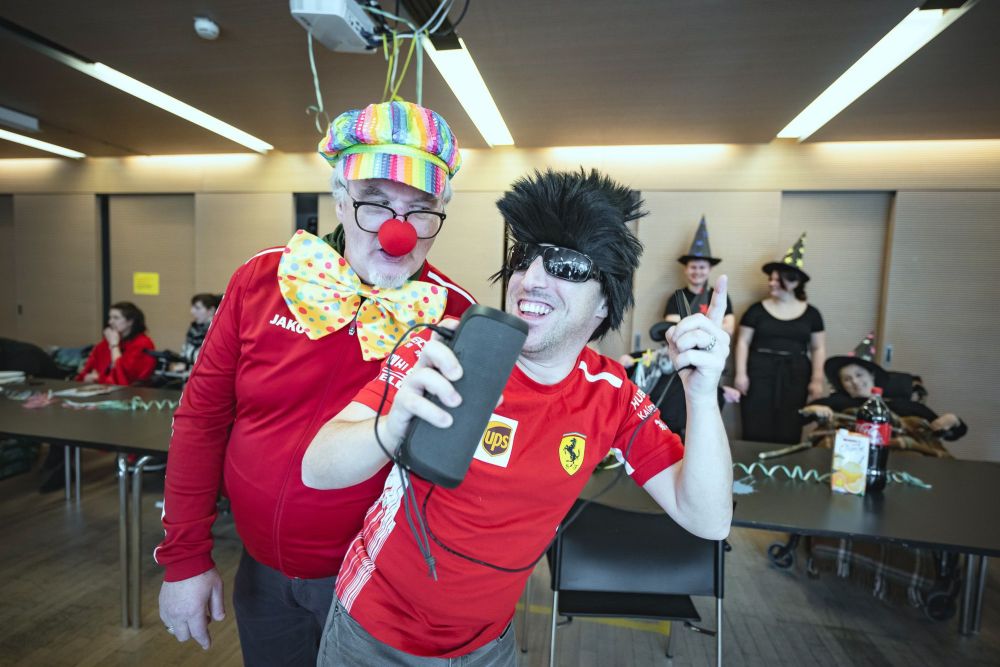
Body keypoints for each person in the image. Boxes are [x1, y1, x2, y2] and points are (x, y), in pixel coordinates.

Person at [302, 169, 733, 665]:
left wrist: (702, 395)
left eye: (566, 266)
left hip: (489, 645)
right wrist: (392, 424)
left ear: (605, 302)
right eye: (524, 258)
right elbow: (317, 468)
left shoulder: (611, 394)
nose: (530, 279)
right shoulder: (446, 350)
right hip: (372, 634)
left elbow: (708, 519)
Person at [155, 101, 475, 666]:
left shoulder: (456, 318)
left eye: (421, 209)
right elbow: (201, 419)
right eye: (375, 201)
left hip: (381, 586)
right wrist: (185, 558)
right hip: (260, 574)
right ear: (340, 199)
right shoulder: (261, 279)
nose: (397, 231)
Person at [801, 332, 966, 453]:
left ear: (872, 376)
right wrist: (811, 410)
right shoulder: (835, 402)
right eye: (847, 379)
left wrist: (953, 421)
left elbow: (950, 433)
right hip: (849, 456)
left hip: (904, 455)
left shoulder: (905, 405)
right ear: (842, 385)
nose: (855, 382)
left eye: (859, 375)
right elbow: (797, 419)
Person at [734, 233, 825, 443]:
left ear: (793, 282)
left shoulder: (812, 314)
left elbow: (818, 348)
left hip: (796, 373)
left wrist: (817, 380)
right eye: (771, 279)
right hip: (759, 371)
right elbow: (742, 342)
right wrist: (741, 374)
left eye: (777, 279)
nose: (771, 283)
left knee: (790, 423)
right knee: (755, 422)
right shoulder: (755, 310)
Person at [664, 215, 735, 335]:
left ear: (709, 269)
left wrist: (689, 327)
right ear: (686, 269)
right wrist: (713, 327)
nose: (697, 272)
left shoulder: (719, 296)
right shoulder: (677, 297)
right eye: (693, 267)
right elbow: (671, 327)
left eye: (702, 267)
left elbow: (729, 329)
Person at [75, 302, 156, 385]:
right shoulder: (107, 342)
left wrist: (114, 345)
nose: (110, 322)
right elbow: (85, 372)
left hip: (128, 390)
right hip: (99, 387)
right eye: (110, 317)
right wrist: (86, 377)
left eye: (116, 318)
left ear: (130, 321)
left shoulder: (143, 343)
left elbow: (123, 378)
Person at [172, 293, 221, 370]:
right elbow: (184, 354)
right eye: (192, 307)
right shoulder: (193, 329)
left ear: (211, 310)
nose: (192, 311)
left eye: (197, 308)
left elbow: (208, 358)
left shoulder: (217, 331)